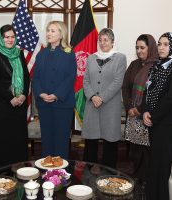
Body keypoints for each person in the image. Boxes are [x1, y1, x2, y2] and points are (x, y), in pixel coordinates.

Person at [143, 32, 172, 200]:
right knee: (154, 163)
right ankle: (151, 195)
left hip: (168, 123)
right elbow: (148, 91)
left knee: (162, 165)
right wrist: (145, 111)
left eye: (166, 44)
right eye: (160, 44)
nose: (161, 47)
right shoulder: (157, 66)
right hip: (155, 121)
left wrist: (152, 116)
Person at [0, 24, 30, 169]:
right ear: (1, 38)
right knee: (2, 140)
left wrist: (23, 94)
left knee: (18, 139)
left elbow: (26, 77)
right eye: (7, 37)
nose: (10, 40)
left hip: (19, 105)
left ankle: (19, 168)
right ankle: (2, 171)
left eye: (12, 37)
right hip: (2, 106)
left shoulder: (19, 53)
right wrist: (10, 98)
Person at [82, 28, 126, 169]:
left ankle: (108, 173)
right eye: (100, 40)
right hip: (92, 105)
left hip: (110, 106)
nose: (102, 43)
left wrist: (102, 98)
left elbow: (118, 82)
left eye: (106, 40)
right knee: (91, 141)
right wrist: (93, 96)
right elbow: (86, 81)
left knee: (110, 141)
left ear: (113, 42)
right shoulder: (91, 58)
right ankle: (88, 172)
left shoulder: (120, 58)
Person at [33, 21, 77, 159]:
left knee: (61, 141)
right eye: (48, 30)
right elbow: (36, 77)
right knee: (46, 140)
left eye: (52, 31)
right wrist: (41, 94)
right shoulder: (41, 54)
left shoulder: (69, 54)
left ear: (61, 34)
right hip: (44, 104)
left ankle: (61, 175)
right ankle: (47, 173)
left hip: (62, 105)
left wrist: (56, 95)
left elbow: (71, 77)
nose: (49, 33)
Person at [122, 34, 158, 183]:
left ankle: (145, 179)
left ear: (150, 48)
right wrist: (130, 107)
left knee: (146, 151)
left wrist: (139, 109)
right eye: (137, 48)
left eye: (142, 48)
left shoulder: (158, 66)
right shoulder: (134, 64)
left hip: (146, 115)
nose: (139, 51)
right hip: (132, 114)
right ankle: (136, 176)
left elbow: (154, 92)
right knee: (134, 150)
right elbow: (125, 87)